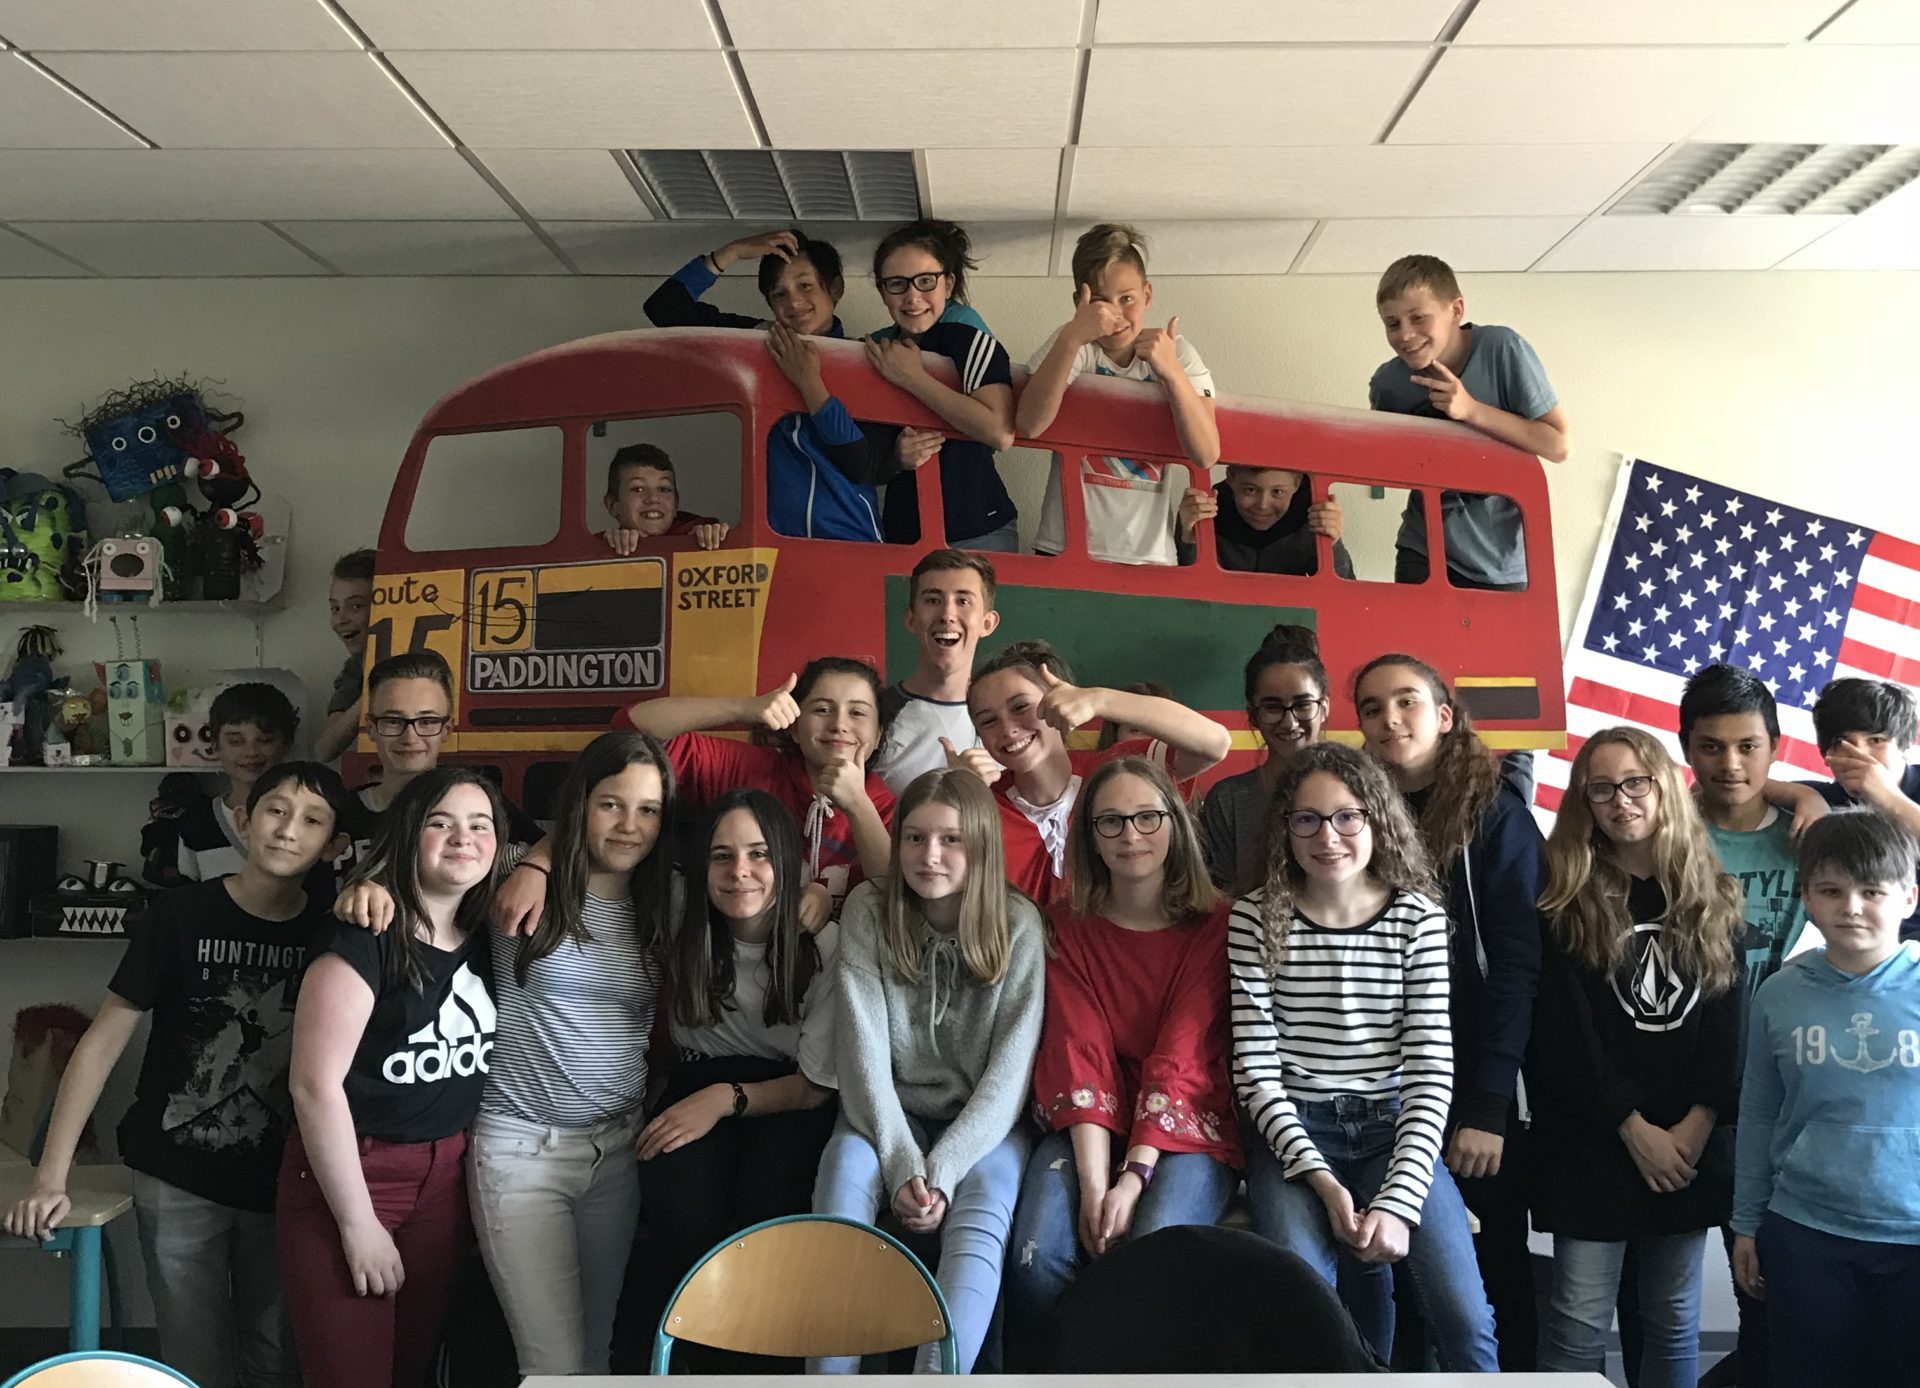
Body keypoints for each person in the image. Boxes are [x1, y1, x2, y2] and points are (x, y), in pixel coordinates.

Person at [5, 763, 349, 1388]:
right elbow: (102, 1041)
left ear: (334, 845)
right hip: (177, 1173)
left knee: (276, 1356)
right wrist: (50, 1176)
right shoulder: (180, 915)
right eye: (275, 810)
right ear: (244, 819)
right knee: (195, 1359)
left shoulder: (336, 929)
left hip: (287, 1180)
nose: (287, 830)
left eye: (312, 820)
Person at [1229, 741, 1498, 1371]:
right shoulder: (1254, 918)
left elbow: (1432, 1072)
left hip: (1394, 1132)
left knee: (1465, 1319)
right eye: (1308, 819)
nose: (1329, 836)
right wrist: (1324, 1185)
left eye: (1348, 816)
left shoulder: (1418, 919)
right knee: (1309, 1309)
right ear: (1285, 829)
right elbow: (1257, 1075)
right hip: (1294, 1135)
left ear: (1378, 818)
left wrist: (1399, 1203)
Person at [1004, 757, 1237, 1367]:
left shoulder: (1217, 922)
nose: (1130, 835)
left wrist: (1132, 1177)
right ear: (1089, 836)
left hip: (1187, 1123)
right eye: (1110, 822)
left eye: (1146, 817)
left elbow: (1182, 1053)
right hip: (1089, 1120)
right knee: (1037, 1258)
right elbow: (1078, 1053)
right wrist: (1093, 1185)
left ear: (1174, 824)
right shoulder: (1064, 927)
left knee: (1151, 1252)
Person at [1531, 728, 1745, 1388]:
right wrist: (1631, 1127)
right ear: (1584, 801)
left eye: (1635, 782)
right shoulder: (1563, 899)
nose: (1621, 800)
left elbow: (1724, 1027)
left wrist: (1694, 1128)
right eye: (1602, 787)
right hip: (1595, 1144)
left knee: (1673, 1318)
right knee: (1577, 1320)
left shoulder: (1714, 895)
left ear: (1662, 787)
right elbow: (1563, 1037)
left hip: (1687, 1145)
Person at [279, 769, 506, 1388]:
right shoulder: (364, 932)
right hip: (352, 1177)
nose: (463, 838)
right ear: (408, 834)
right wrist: (357, 1223)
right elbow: (313, 1086)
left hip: (448, 1183)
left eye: (478, 825)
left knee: (411, 1372)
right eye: (440, 822)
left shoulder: (488, 936)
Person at [813, 768, 1044, 1374]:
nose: (929, 855)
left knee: (986, 1205)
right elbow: (862, 1056)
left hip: (982, 1126)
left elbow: (1008, 1079)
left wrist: (940, 1174)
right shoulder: (870, 909)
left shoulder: (1018, 926)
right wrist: (900, 1163)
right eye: (914, 838)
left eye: (950, 839)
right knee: (841, 1175)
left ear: (981, 845)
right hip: (887, 1114)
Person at [1352, 652, 1544, 1368]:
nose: (1390, 718)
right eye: (1372, 708)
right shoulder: (1355, 821)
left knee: (1489, 1282)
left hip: (1476, 1096)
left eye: (1406, 701)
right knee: (1395, 1274)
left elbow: (1517, 968)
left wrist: (1488, 1105)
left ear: (1444, 716)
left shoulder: (1496, 818)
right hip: (1385, 1098)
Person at [637, 790, 838, 1368]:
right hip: (697, 1079)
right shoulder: (683, 914)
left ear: (787, 861)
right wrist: (534, 863)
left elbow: (816, 1087)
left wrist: (726, 1100)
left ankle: (764, 1366)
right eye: (721, 856)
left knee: (770, 1214)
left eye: (758, 854)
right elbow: (606, 843)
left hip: (786, 1095)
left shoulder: (823, 946)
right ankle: (691, 1362)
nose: (739, 872)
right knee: (679, 1205)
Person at [494, 658, 896, 938]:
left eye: (858, 713)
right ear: (794, 726)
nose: (839, 724)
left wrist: (857, 803)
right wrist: (747, 707)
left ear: (878, 734)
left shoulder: (886, 803)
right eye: (822, 709)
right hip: (729, 981)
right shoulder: (751, 768)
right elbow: (633, 728)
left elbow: (897, 895)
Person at [1732, 811, 1920, 1388]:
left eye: (1872, 891)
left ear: (1909, 897)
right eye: (1832, 891)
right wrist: (1745, 1223)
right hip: (1807, 1232)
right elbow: (1759, 1113)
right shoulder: (1780, 995)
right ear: (1808, 898)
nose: (1853, 907)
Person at [1669, 662, 1818, 1386]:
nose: (1731, 764)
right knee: (1661, 1278)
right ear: (1686, 748)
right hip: (1681, 1079)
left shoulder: (1807, 834)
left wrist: (1808, 796)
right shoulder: (1662, 829)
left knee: (1762, 1271)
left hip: (1778, 1084)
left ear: (1775, 745)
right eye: (1711, 746)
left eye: (1749, 747)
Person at [642, 226, 892, 542]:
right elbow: (663, 308)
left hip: (854, 542)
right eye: (779, 294)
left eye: (805, 286)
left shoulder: (864, 360)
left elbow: (861, 465)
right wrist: (731, 253)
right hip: (777, 546)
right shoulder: (758, 344)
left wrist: (809, 384)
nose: (794, 302)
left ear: (835, 288)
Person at [963, 639, 1231, 905]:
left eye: (1020, 706)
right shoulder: (983, 805)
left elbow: (1213, 743)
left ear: (1058, 702)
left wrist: (1099, 699)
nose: (1008, 728)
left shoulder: (1116, 772)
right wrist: (957, 792)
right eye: (988, 721)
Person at [1019, 224, 1217, 567]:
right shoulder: (1075, 345)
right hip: (1064, 548)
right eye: (1099, 302)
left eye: (1127, 299)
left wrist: (1170, 371)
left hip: (1150, 556)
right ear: (1079, 303)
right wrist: (1072, 336)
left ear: (1147, 295)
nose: (1114, 315)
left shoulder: (1177, 352)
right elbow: (1029, 424)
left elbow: (1207, 453)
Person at [1370, 253, 1570, 592]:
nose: (1405, 335)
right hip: (1425, 548)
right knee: (1419, 646)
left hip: (1501, 559)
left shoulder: (1501, 349)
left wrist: (1471, 410)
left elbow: (1558, 445)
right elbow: (1388, 472)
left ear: (1456, 310)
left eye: (1419, 318)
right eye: (1393, 324)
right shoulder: (1389, 383)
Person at [865, 219, 1020, 550]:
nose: (912, 297)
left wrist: (914, 378)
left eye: (925, 282)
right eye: (897, 284)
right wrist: (895, 458)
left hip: (977, 524)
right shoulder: (877, 347)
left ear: (947, 284)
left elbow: (1000, 432)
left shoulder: (967, 332)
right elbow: (864, 457)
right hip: (903, 529)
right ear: (882, 291)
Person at [329, 651, 540, 878]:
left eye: (427, 721)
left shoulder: (479, 804)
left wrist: (535, 871)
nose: (410, 737)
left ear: (447, 729)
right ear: (371, 727)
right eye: (393, 721)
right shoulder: (338, 815)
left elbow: (552, 844)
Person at [1199, 625, 1328, 893]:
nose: (1289, 721)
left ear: (1324, 707)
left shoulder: (1358, 788)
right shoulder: (1228, 800)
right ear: (1253, 715)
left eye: (1303, 705)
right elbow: (1220, 895)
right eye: (1272, 707)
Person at [144, 681, 302, 886]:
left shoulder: (307, 818)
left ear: (286, 744)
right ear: (215, 746)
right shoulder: (196, 824)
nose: (251, 752)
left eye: (264, 740)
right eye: (235, 741)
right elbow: (188, 900)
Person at [871, 549, 1001, 793]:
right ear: (911, 619)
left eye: (963, 601)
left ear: (987, 623)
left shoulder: (1012, 719)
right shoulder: (875, 714)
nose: (947, 615)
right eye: (932, 600)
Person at [1811, 677, 1920, 939]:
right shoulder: (1827, 798)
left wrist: (1888, 797)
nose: (1859, 754)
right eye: (1841, 742)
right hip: (1859, 952)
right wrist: (1798, 794)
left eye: (1876, 740)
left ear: (1905, 746)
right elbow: (1739, 788)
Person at [1175, 466, 1354, 577]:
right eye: (1250, 490)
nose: (1262, 505)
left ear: (1297, 484)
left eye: (1278, 492)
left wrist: (1333, 544)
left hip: (1289, 630)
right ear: (1230, 478)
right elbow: (1182, 593)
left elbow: (1345, 597)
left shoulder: (1312, 519)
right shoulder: (1202, 511)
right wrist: (1189, 541)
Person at [599, 442, 728, 555]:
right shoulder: (601, 546)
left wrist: (714, 537)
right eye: (638, 489)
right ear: (612, 505)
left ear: (675, 503)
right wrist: (607, 548)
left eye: (664, 489)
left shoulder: (695, 533)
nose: (653, 498)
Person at [316, 550, 375, 763]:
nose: (341, 619)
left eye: (356, 606)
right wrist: (373, 694)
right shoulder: (356, 669)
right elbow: (325, 749)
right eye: (335, 608)